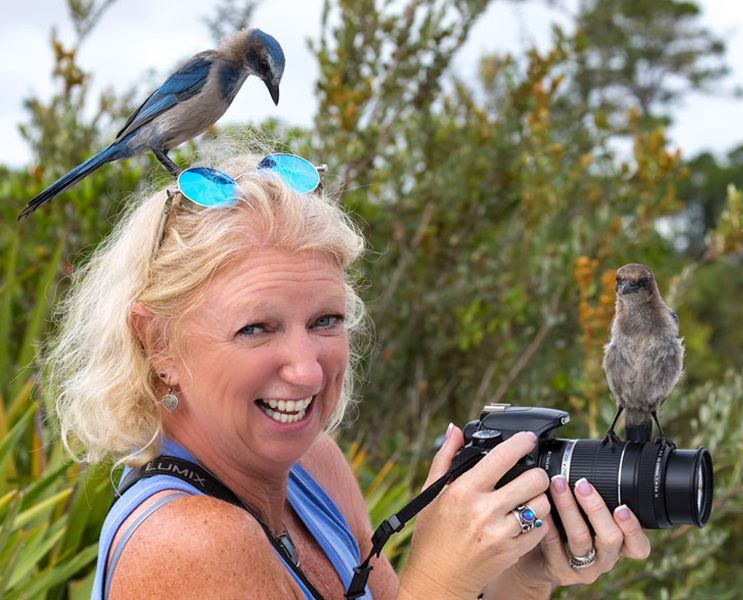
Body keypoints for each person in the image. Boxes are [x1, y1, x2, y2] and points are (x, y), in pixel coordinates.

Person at [48, 147, 650, 600]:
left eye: (326, 320)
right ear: (157, 344)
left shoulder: (313, 471)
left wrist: (519, 576)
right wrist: (439, 576)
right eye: (255, 328)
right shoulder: (186, 544)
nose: (308, 369)